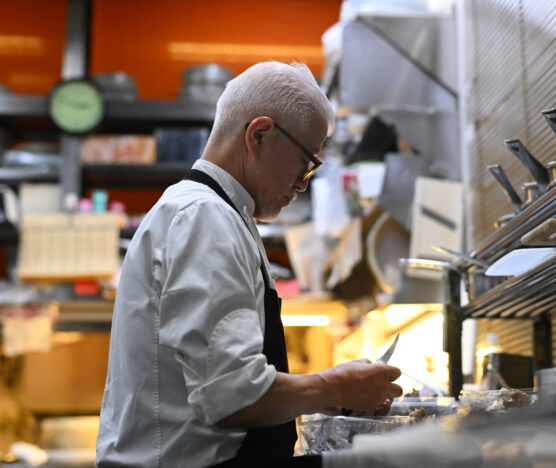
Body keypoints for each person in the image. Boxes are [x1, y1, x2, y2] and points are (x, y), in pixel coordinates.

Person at [96, 62, 403, 467]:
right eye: (306, 161)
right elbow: (231, 396)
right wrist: (335, 388)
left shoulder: (217, 214)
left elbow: (230, 388)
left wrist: (334, 392)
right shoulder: (203, 217)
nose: (302, 183)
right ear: (259, 134)